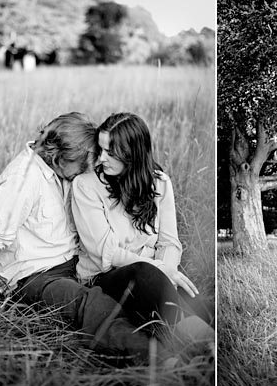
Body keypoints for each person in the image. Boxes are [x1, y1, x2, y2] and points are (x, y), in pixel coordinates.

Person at [0, 112, 158, 361]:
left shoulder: (63, 170)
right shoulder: (22, 179)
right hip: (34, 277)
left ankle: (194, 334)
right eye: (84, 163)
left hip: (78, 268)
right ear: (59, 157)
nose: (90, 169)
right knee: (89, 303)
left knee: (140, 277)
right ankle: (155, 356)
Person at [71, 111, 213, 347]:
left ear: (133, 155)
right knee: (146, 276)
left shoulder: (159, 182)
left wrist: (167, 270)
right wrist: (160, 270)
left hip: (153, 273)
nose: (101, 159)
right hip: (105, 276)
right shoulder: (86, 186)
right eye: (101, 149)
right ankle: (201, 345)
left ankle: (204, 340)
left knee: (200, 302)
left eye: (111, 153)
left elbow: (169, 242)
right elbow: (105, 252)